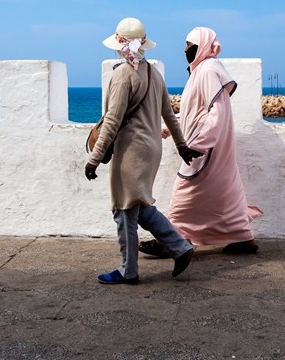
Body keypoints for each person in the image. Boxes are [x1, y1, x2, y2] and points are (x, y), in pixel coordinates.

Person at [85, 17, 203, 285]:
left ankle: (128, 271)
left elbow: (112, 121)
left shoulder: (122, 75)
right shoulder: (153, 74)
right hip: (152, 150)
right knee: (140, 205)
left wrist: (94, 159)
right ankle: (180, 247)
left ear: (119, 45)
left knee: (124, 209)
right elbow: (170, 116)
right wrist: (181, 146)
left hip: (131, 152)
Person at [139, 27, 261, 258]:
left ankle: (174, 241)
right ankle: (244, 238)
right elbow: (193, 113)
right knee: (226, 194)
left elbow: (217, 113)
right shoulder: (202, 71)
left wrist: (198, 145)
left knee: (183, 195)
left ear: (202, 45)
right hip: (208, 148)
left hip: (203, 150)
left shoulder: (208, 70)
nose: (185, 49)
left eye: (189, 44)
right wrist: (167, 129)